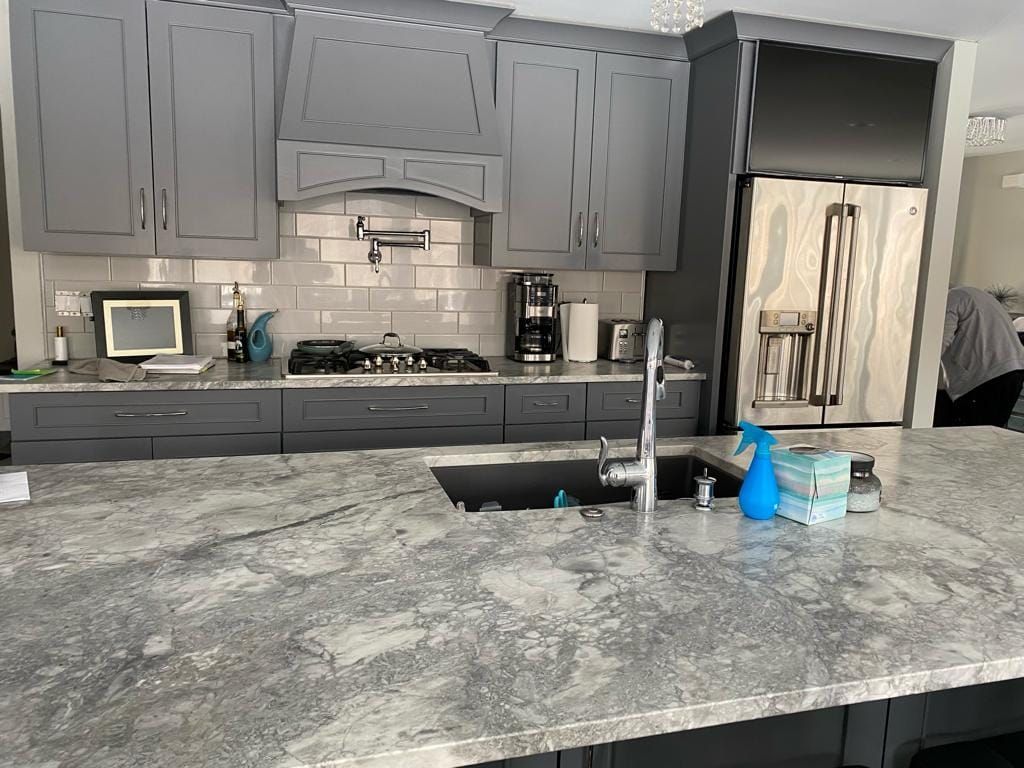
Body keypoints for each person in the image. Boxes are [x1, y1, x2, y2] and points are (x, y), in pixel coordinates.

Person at [936, 286, 1024, 428]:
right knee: (986, 434)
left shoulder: (950, 300)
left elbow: (935, 347)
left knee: (966, 434)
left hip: (987, 378)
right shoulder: (972, 296)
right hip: (1013, 373)